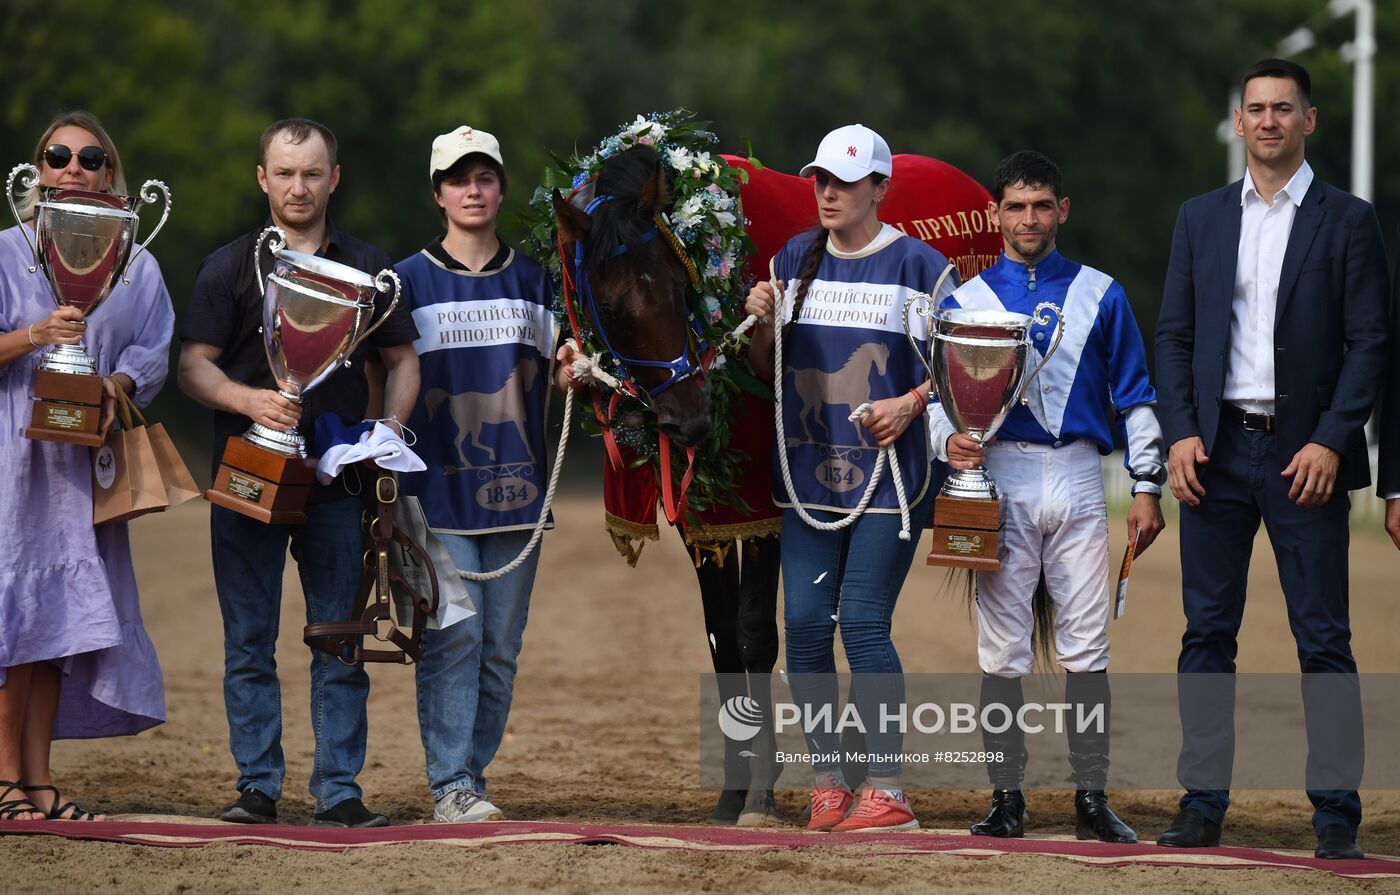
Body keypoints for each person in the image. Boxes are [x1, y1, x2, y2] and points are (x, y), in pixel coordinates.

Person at [1154, 59, 1389, 860]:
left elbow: (1371, 344)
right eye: (1255, 108)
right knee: (1205, 631)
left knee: (1323, 637)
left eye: (1283, 109)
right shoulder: (1201, 217)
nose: (1268, 121)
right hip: (1213, 454)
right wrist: (1181, 431)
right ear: (1238, 121)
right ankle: (1201, 802)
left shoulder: (1349, 221)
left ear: (1308, 121)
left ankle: (1335, 814)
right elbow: (1176, 336)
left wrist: (1330, 437)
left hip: (1306, 458)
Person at [179, 118, 420, 828]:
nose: (298, 186)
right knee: (248, 638)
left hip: (338, 484)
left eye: (312, 173)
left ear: (334, 178)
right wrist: (250, 398)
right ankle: (257, 787)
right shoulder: (228, 266)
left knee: (340, 638)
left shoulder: (372, 270)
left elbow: (405, 362)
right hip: (247, 478)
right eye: (284, 172)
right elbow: (193, 365)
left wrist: (392, 430)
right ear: (262, 178)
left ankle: (338, 792)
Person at [932, 150, 1165, 843]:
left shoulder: (1103, 292)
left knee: (1087, 648)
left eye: (1041, 206)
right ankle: (1008, 800)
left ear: (1062, 211)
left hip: (1078, 475)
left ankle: (1090, 799)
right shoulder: (965, 300)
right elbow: (943, 398)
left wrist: (1147, 483)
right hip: (998, 476)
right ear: (996, 213)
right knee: (1001, 649)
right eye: (1016, 206)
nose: (1028, 219)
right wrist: (950, 440)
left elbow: (1137, 395)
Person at [744, 124, 947, 832]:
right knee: (802, 626)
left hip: (891, 480)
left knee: (861, 623)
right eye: (820, 180)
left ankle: (887, 789)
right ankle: (827, 782)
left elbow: (958, 374)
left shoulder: (923, 267)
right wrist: (762, 326)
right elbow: (766, 375)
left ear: (880, 188)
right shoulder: (792, 259)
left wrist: (910, 402)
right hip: (807, 477)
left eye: (844, 181)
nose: (827, 193)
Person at [393, 125, 574, 823]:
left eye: (485, 177)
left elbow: (563, 372)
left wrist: (574, 373)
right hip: (438, 492)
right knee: (455, 634)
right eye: (459, 179)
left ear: (500, 188)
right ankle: (452, 783)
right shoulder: (406, 279)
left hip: (519, 493)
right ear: (438, 192)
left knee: (499, 649)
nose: (473, 190)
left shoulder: (537, 279)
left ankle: (470, 771)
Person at [0, 110, 173, 821]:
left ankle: (38, 779)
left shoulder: (137, 261)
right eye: (58, 155)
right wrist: (36, 335)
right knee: (14, 625)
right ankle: (5, 778)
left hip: (84, 463)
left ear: (112, 171)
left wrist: (118, 383)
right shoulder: (7, 248)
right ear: (35, 172)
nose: (74, 167)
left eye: (91, 157)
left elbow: (153, 348)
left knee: (56, 628)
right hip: (13, 459)